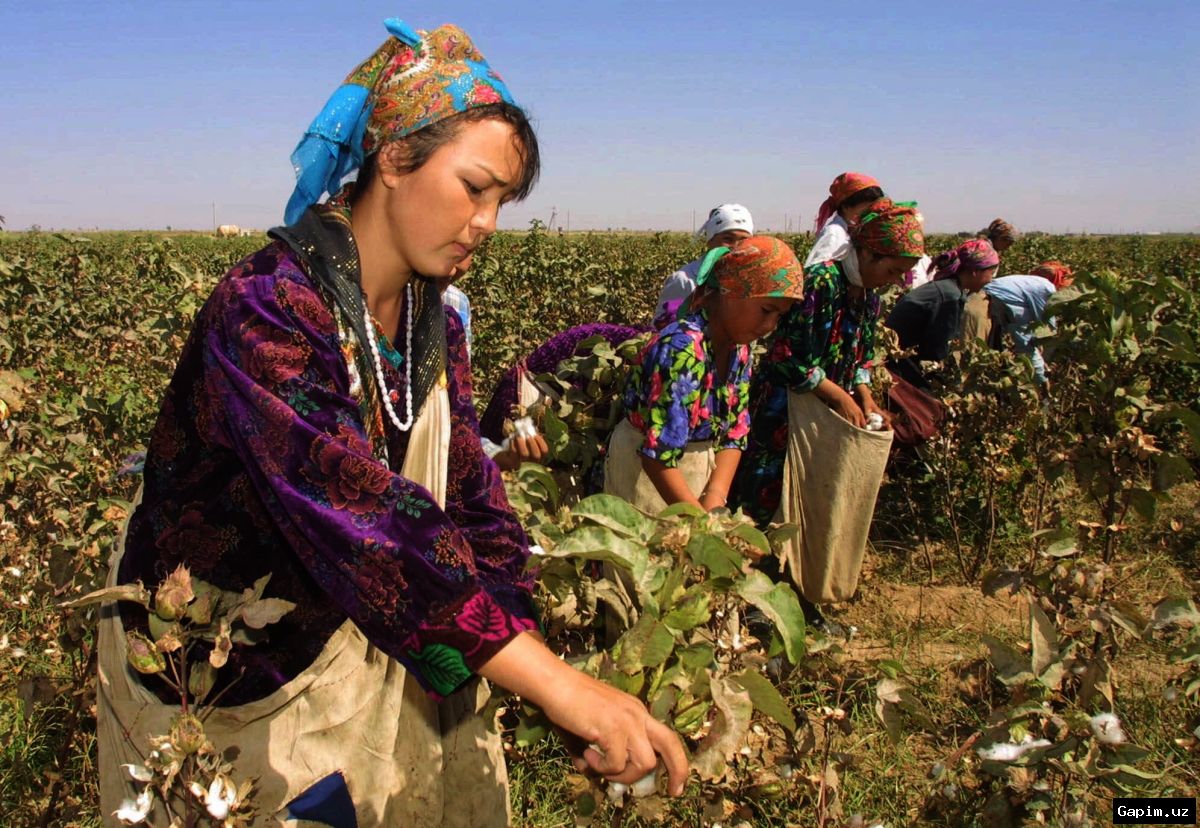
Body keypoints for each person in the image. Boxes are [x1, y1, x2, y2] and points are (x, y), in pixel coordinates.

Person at [99, 18, 686, 825]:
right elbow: (367, 516)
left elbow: (473, 499)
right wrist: (556, 685)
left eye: (502, 203)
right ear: (395, 157)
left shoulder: (430, 322)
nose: (486, 222)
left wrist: (543, 666)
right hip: (220, 671)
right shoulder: (268, 307)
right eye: (474, 188)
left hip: (346, 637)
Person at [731, 200, 924, 618]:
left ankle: (801, 594)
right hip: (782, 413)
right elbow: (783, 355)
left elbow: (861, 358)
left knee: (816, 504)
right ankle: (752, 602)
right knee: (765, 501)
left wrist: (866, 397)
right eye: (891, 269)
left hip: (824, 418)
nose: (894, 280)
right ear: (868, 253)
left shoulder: (869, 297)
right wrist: (837, 395)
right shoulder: (821, 281)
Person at [607, 236, 804, 513]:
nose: (770, 325)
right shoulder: (681, 348)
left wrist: (714, 497)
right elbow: (657, 458)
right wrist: (700, 522)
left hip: (692, 475)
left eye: (778, 316)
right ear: (729, 293)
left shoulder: (741, 350)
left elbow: (736, 431)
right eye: (766, 310)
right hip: (648, 478)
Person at [478, 322, 647, 470]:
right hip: (535, 392)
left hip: (555, 400)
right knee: (515, 468)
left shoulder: (639, 348)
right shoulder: (642, 351)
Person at [885, 238, 999, 388]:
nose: (991, 279)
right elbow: (937, 351)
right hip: (898, 371)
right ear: (975, 272)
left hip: (898, 364)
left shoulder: (947, 288)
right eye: (991, 272)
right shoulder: (949, 297)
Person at [654, 203, 754, 326]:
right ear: (710, 240)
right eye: (728, 239)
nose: (736, 247)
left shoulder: (750, 280)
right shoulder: (684, 280)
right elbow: (661, 328)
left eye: (744, 240)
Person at [982, 261, 1074, 385]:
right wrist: (1042, 380)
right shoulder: (1046, 287)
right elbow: (1047, 330)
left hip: (978, 300)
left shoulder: (1023, 284)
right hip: (989, 308)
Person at [805, 172, 885, 267]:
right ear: (846, 207)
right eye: (866, 209)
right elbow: (817, 273)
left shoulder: (850, 231)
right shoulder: (834, 233)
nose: (870, 214)